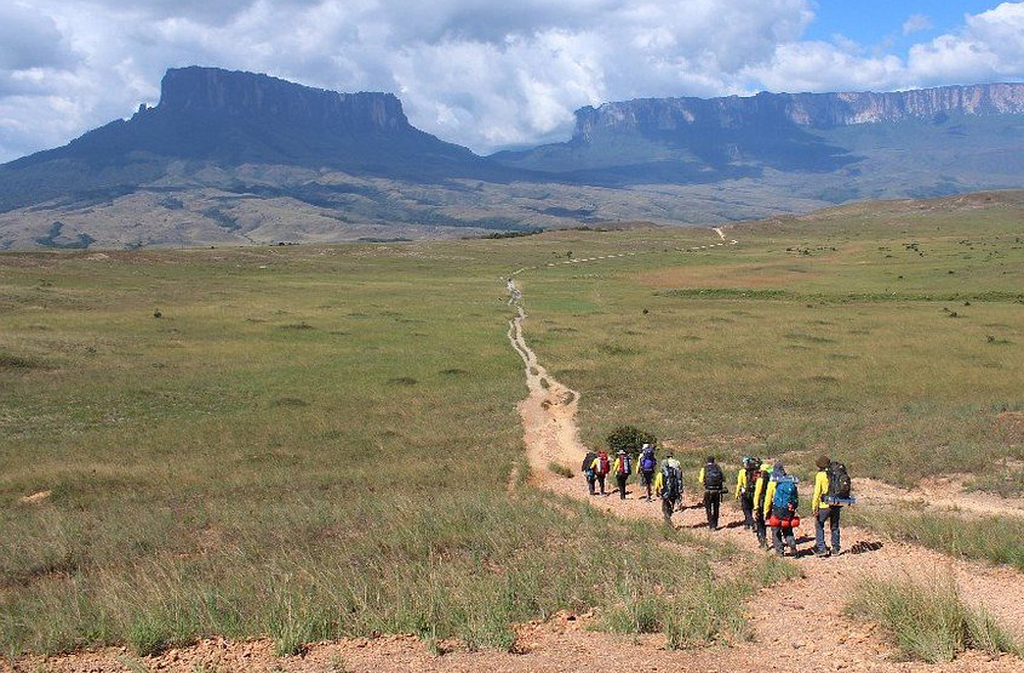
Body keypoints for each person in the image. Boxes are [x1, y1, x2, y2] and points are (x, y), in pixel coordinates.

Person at [812, 454, 848, 557]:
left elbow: (817, 492)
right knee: (835, 526)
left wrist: (814, 506)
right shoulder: (835, 473)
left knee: (819, 525)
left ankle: (822, 548)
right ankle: (836, 548)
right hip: (836, 503)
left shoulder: (820, 475)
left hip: (824, 505)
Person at [764, 462, 799, 556]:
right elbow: (795, 497)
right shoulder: (790, 481)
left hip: (777, 509)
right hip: (788, 510)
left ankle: (779, 552)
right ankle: (792, 545)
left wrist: (766, 512)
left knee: (775, 530)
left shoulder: (773, 482)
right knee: (787, 529)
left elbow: (768, 499)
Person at [654, 453, 683, 525]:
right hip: (673, 491)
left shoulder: (660, 474)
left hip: (665, 493)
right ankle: (671, 512)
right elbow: (679, 479)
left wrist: (657, 492)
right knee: (671, 505)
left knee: (665, 508)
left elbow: (657, 485)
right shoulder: (673, 471)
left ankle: (668, 521)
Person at [698, 456, 725, 530]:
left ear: (707, 461)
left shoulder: (704, 468)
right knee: (716, 507)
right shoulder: (718, 468)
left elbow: (700, 480)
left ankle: (711, 525)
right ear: (714, 461)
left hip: (708, 491)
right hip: (717, 490)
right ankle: (715, 524)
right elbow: (723, 479)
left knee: (708, 508)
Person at [752, 461, 773, 549]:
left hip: (761, 504)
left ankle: (763, 542)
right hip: (772, 503)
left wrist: (755, 507)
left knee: (760, 523)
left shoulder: (760, 480)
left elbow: (757, 494)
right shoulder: (773, 480)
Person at [735, 456, 759, 530]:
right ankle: (747, 524)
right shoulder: (756, 471)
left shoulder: (742, 472)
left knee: (746, 509)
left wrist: (736, 493)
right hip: (754, 492)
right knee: (750, 508)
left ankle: (752, 523)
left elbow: (739, 483)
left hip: (745, 491)